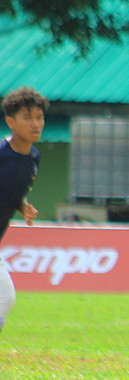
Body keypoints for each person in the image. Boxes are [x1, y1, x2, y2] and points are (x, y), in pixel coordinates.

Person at [0, 86, 47, 333]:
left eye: (39, 117)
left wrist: (23, 205)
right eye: (27, 117)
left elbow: (11, 188)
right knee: (4, 297)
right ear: (10, 121)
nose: (35, 124)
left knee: (4, 298)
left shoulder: (33, 158)